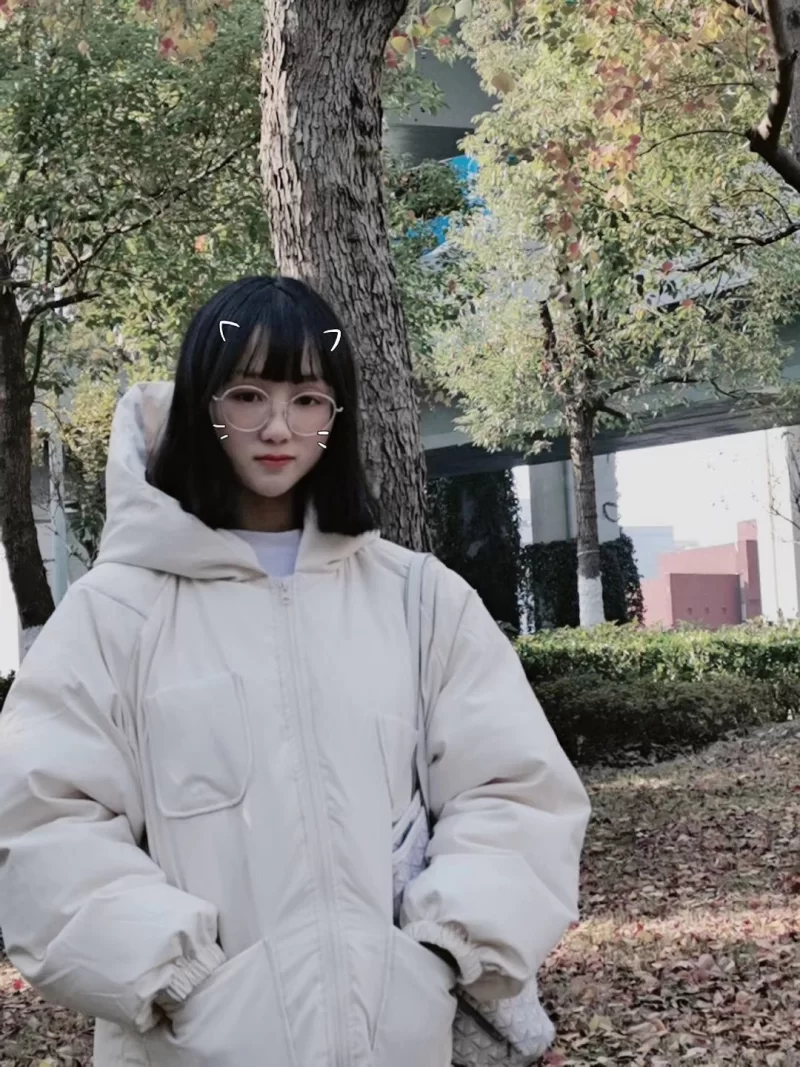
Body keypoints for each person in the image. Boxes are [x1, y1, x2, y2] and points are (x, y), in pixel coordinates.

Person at [0, 275, 591, 1067]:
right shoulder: (114, 613)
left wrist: (445, 950)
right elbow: (42, 820)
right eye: (248, 395)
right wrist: (180, 976)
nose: (278, 426)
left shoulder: (420, 600)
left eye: (309, 399)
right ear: (204, 404)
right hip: (191, 1049)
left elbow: (514, 790)